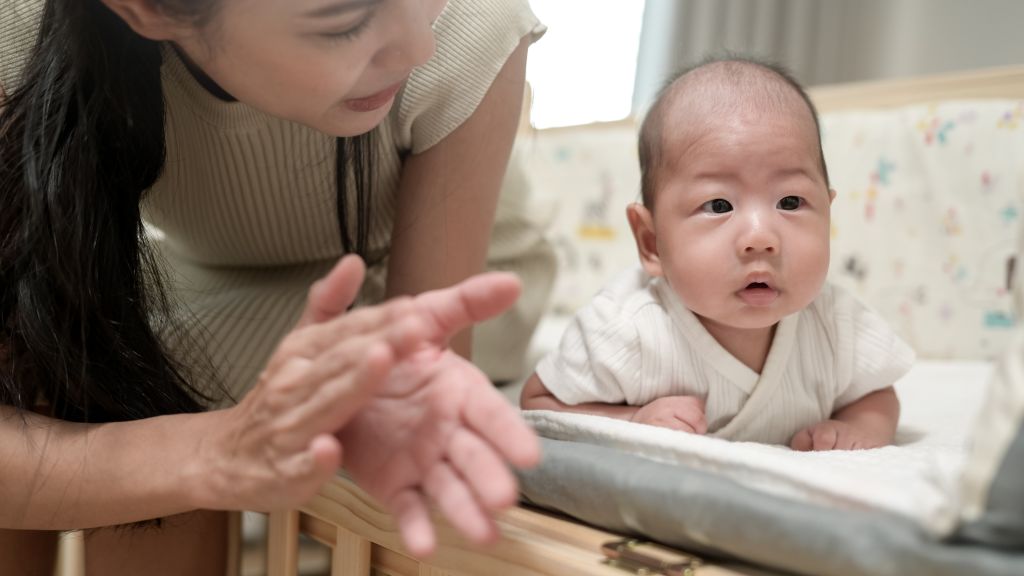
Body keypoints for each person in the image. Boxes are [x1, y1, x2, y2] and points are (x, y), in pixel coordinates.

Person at [0, 0, 549, 573]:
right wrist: (212, 449)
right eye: (344, 23)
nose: (418, 48)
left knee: (149, 396)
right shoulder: (20, 22)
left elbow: (419, 349)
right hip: (212, 274)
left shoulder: (470, 20)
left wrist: (194, 445)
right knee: (64, 375)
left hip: (431, 279)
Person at [521, 57, 915, 452]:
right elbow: (539, 401)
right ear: (651, 242)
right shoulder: (630, 332)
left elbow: (876, 394)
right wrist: (632, 419)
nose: (761, 238)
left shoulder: (835, 323)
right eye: (719, 206)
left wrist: (859, 428)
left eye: (791, 201)